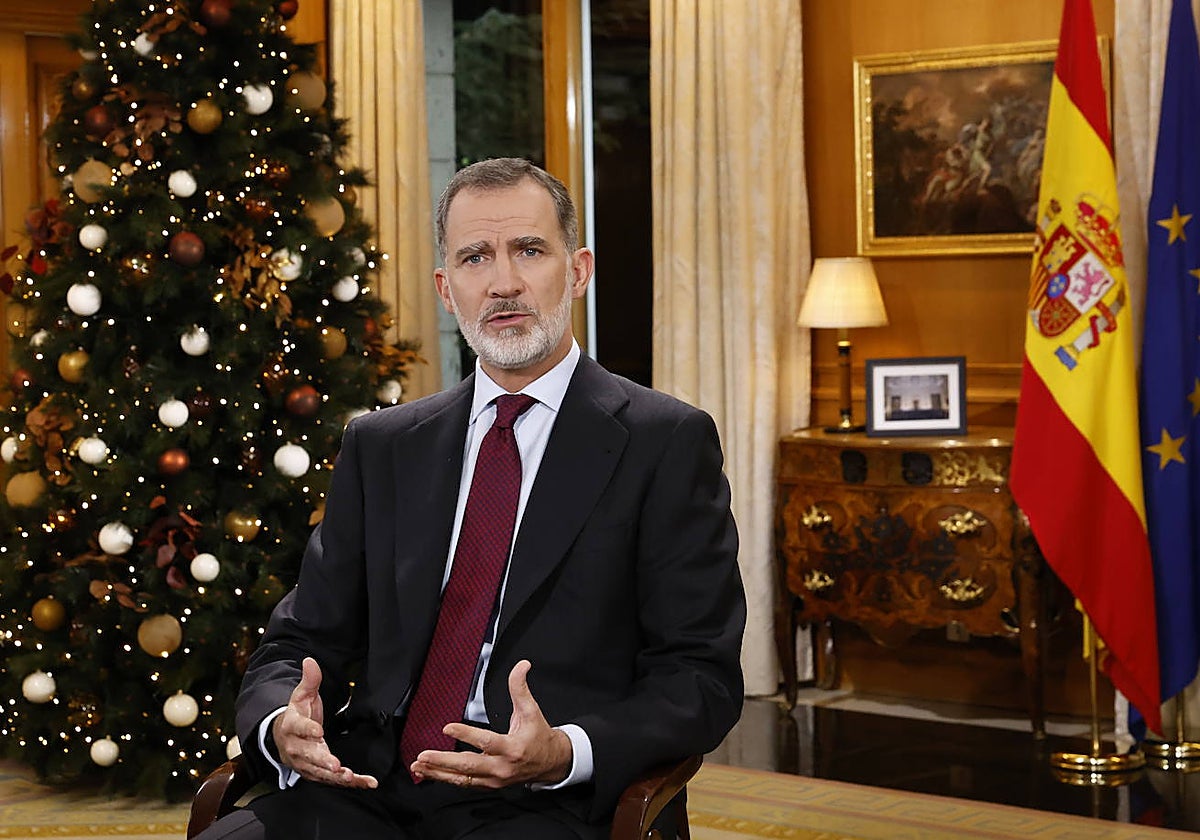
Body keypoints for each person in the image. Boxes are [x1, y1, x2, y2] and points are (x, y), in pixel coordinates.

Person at [196, 157, 746, 839]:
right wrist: (284, 723)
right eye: (475, 257)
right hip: (367, 784)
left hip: (545, 804)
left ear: (577, 271)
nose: (504, 282)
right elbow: (300, 638)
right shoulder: (383, 444)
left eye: (530, 250)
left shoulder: (665, 442)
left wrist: (562, 751)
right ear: (447, 289)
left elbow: (700, 678)